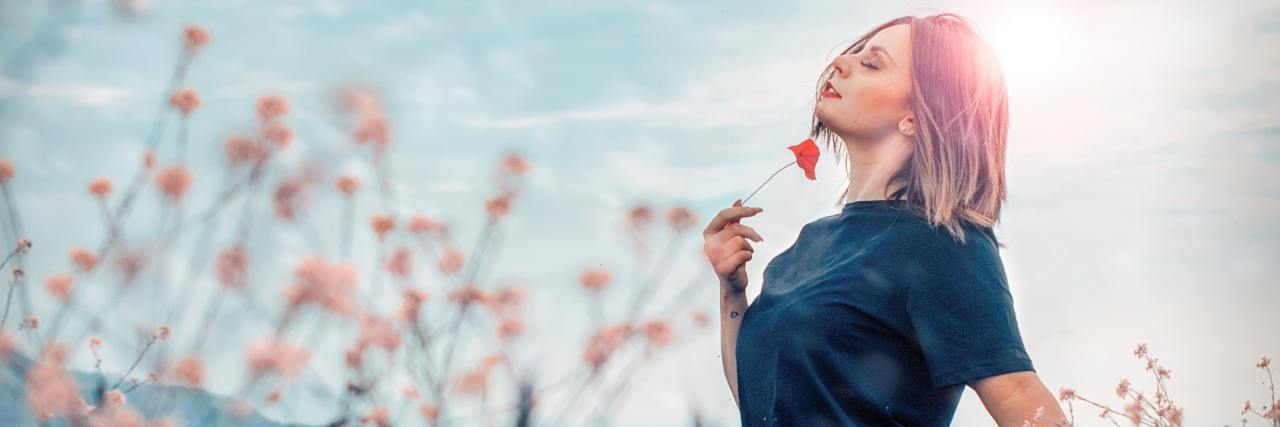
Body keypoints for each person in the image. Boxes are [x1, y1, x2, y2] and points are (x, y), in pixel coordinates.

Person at [702, 13, 1069, 427]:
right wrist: (732, 293)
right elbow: (760, 403)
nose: (841, 62)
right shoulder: (809, 245)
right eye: (853, 53)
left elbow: (1019, 393)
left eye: (871, 63)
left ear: (914, 116)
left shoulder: (942, 242)